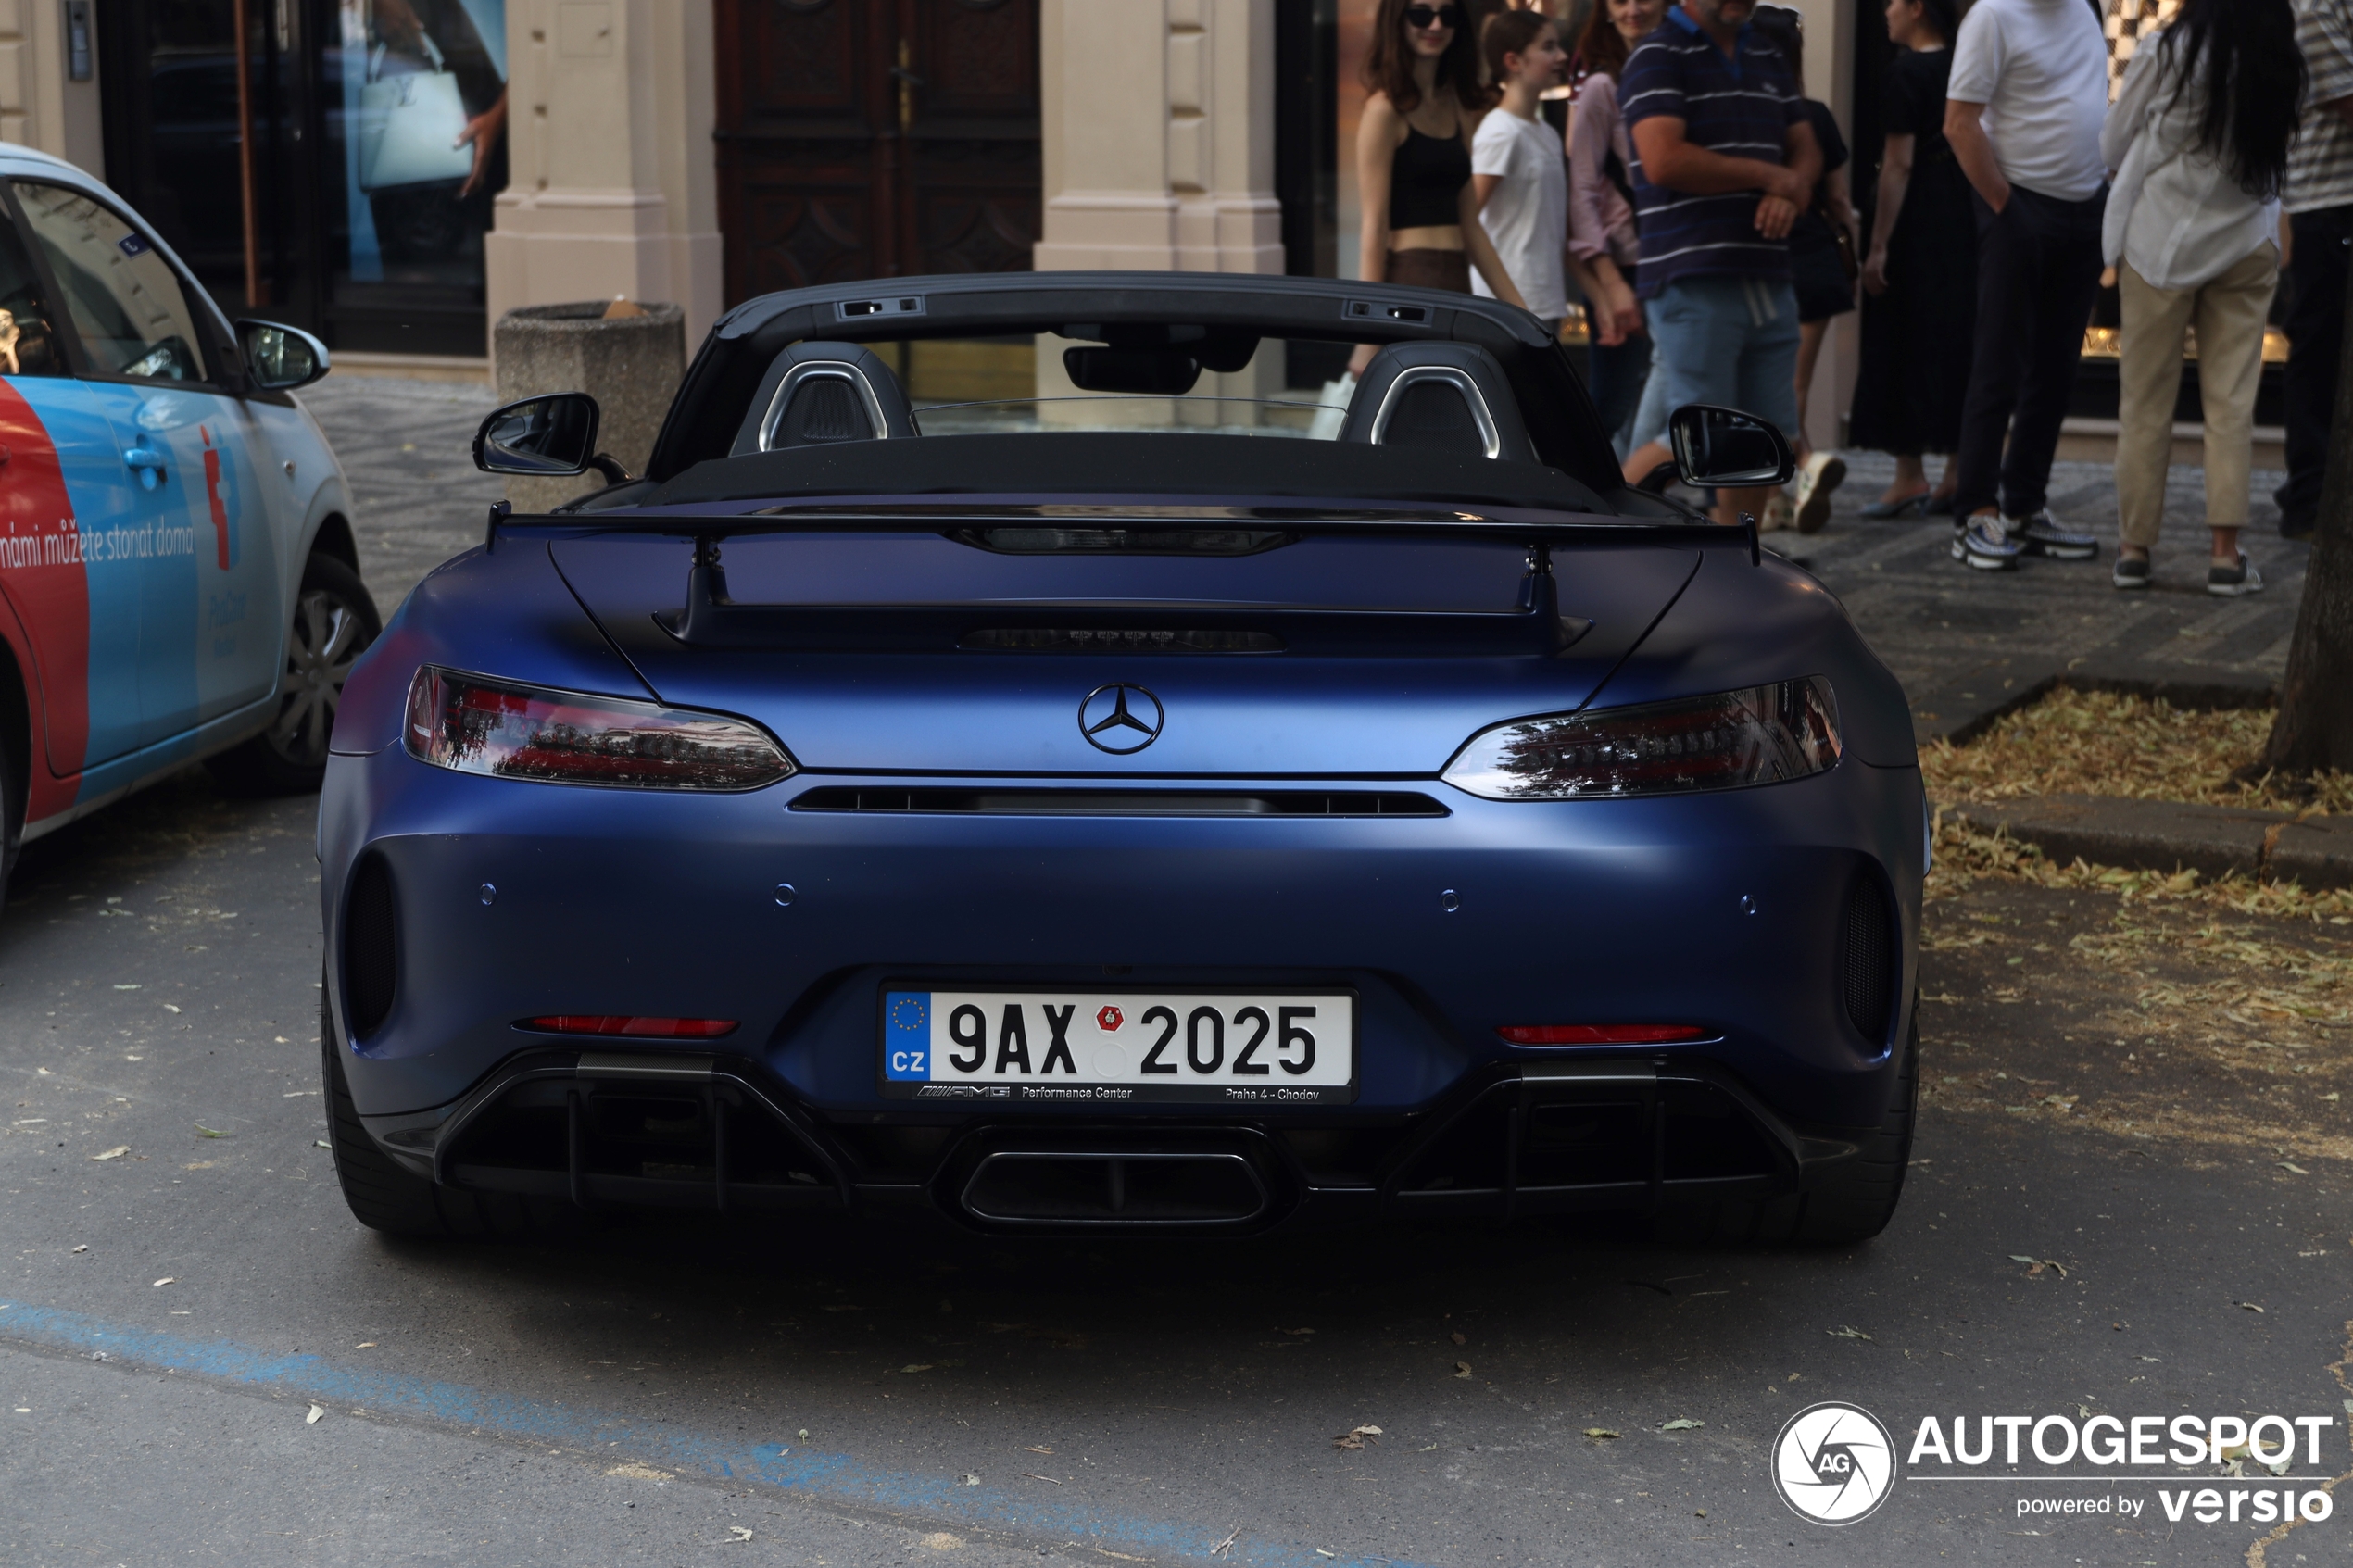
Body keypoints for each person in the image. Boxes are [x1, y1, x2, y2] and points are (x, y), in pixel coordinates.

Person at [2104, 0, 2305, 595]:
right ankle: (2225, 555)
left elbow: (2113, 144)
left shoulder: (2166, 52)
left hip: (2159, 243)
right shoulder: (2278, 58)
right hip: (2247, 240)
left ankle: (2134, 550)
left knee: (2144, 402)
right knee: (2232, 406)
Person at [1619, 0, 1820, 528]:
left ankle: (1737, 571)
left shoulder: (1765, 53)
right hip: (1694, 275)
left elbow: (1805, 145)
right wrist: (1771, 177)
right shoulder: (1657, 55)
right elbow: (1664, 158)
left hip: (1767, 272)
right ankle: (1596, 541)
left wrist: (1790, 190)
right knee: (1703, 439)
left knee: (1770, 438)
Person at [1942, 0, 2108, 571]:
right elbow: (1959, 122)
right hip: (2018, 204)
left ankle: (2024, 505)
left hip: (2083, 209)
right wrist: (2004, 207)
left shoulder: (2086, 10)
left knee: (2057, 370)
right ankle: (1977, 511)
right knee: (2000, 363)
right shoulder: (1992, 16)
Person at [1352, 0, 1529, 376]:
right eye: (1420, 13)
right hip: (1409, 276)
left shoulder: (1458, 106)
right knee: (1420, 415)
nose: (1435, 24)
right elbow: (1374, 225)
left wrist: (1520, 312)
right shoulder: (1384, 110)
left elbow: (1472, 226)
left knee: (1451, 413)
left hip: (1457, 281)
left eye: (1447, 14)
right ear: (1397, 20)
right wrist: (1365, 334)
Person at [1850, 0, 1973, 519]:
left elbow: (1898, 164)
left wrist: (1878, 244)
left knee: (1901, 336)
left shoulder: (1905, 72)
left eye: (1895, 3)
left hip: (1916, 217)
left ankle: (1908, 474)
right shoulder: (1963, 65)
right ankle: (1957, 471)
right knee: (1955, 337)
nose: (1886, 12)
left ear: (1917, 10)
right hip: (1962, 211)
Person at [1748, 4, 1854, 533]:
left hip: (1765, 261)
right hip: (1814, 260)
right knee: (1794, 385)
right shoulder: (1814, 113)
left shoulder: (1745, 112)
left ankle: (1798, 474)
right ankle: (1785, 491)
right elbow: (1838, 199)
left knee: (1775, 388)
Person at [1566, 0, 1668, 458]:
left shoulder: (1674, 70)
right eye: (1620, 0)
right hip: (1621, 265)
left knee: (1666, 391)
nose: (1633, 9)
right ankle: (1582, 495)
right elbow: (1581, 188)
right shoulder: (1601, 87)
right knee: (1614, 402)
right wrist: (1607, 281)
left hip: (1672, 255)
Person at [2276, 0, 2353, 543]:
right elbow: (2345, 96)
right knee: (2319, 357)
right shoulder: (2314, 3)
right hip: (2328, 205)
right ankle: (2308, 500)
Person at [1472, 10, 1573, 334]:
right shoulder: (1500, 132)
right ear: (1513, 61)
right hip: (1507, 310)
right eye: (1548, 47)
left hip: (1542, 302)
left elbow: (1557, 227)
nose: (1561, 56)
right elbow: (1467, 219)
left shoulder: (1546, 132)